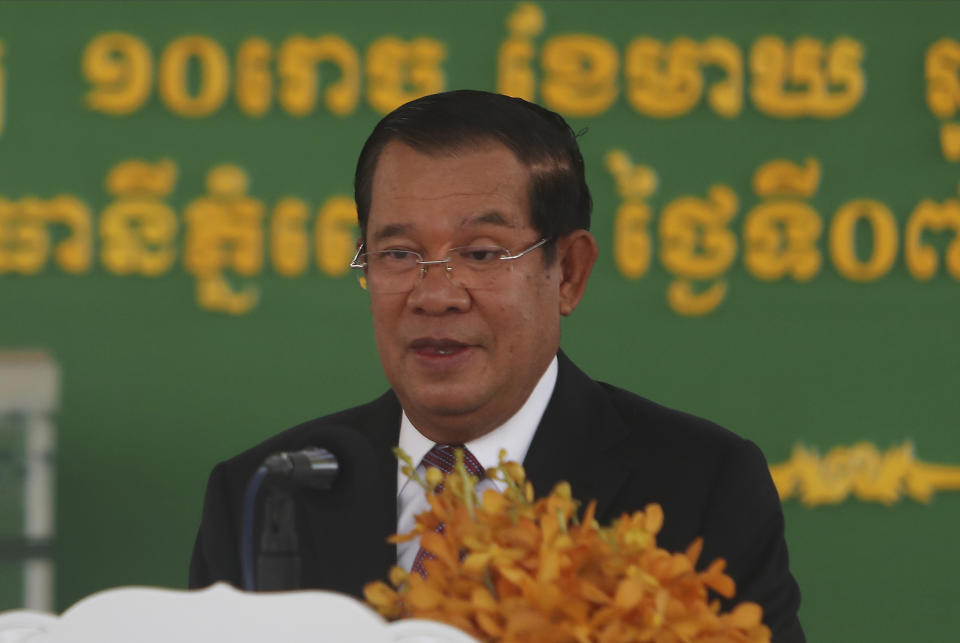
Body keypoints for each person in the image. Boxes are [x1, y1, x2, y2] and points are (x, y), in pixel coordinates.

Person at [189, 90, 804, 641]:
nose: (435, 295)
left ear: (568, 272)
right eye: (399, 253)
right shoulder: (267, 495)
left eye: (481, 253)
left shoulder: (701, 486)